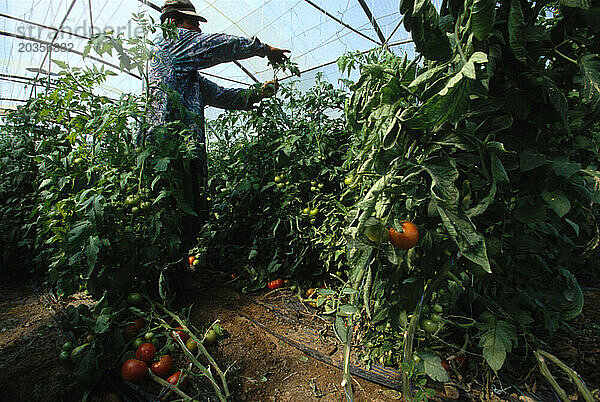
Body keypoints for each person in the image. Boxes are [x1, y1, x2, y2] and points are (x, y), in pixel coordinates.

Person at [145, 0, 290, 249]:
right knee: (175, 209)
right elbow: (220, 46)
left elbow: (220, 95)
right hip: (169, 149)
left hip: (184, 150)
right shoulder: (170, 43)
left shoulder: (185, 74)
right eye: (192, 23)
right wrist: (263, 49)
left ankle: (179, 271)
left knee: (189, 209)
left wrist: (258, 93)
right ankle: (171, 277)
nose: (197, 31)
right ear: (172, 22)